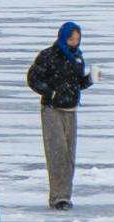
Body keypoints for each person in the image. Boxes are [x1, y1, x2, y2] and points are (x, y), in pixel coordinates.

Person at [26, 21, 93, 210]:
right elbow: (32, 78)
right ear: (63, 38)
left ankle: (65, 195)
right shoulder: (48, 56)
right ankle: (58, 197)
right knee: (57, 153)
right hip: (52, 110)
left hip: (71, 109)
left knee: (69, 154)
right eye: (71, 39)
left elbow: (76, 83)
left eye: (77, 40)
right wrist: (50, 92)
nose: (74, 43)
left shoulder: (77, 58)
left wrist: (88, 80)